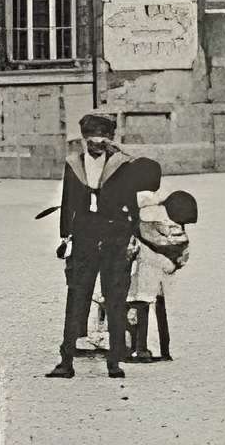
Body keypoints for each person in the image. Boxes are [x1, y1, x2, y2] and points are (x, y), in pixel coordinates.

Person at [47, 113, 153, 380]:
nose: (98, 142)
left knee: (115, 299)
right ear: (84, 139)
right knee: (77, 297)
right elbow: (68, 202)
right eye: (92, 137)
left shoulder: (123, 164)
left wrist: (133, 236)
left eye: (104, 137)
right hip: (84, 237)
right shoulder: (73, 164)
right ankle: (66, 360)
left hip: (115, 236)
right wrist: (65, 237)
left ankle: (114, 361)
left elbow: (134, 199)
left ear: (110, 138)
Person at [124, 187, 195, 362]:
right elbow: (182, 251)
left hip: (143, 273)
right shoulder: (166, 221)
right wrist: (173, 263)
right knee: (156, 307)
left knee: (139, 306)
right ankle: (161, 349)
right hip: (156, 275)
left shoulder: (143, 221)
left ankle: (139, 349)